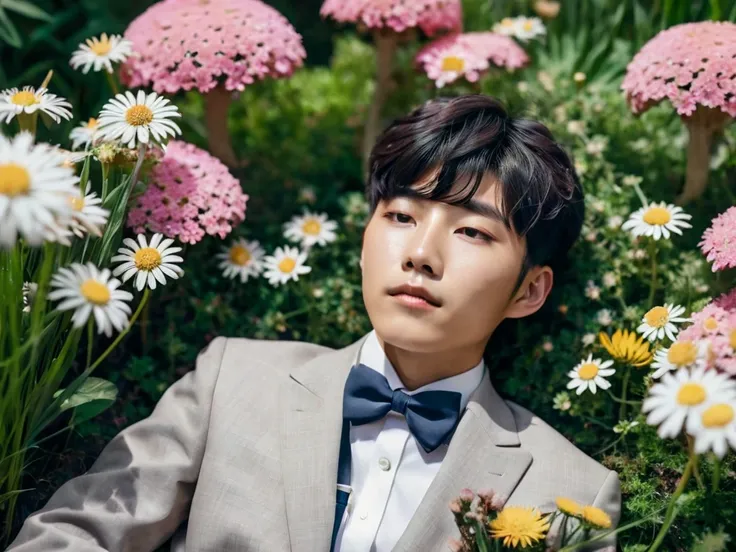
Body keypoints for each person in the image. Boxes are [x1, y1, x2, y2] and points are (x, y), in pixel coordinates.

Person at [7, 95, 620, 552]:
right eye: (401, 216)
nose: (421, 254)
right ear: (364, 238)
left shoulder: (572, 491)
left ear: (530, 290)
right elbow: (77, 531)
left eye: (472, 231)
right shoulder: (235, 380)